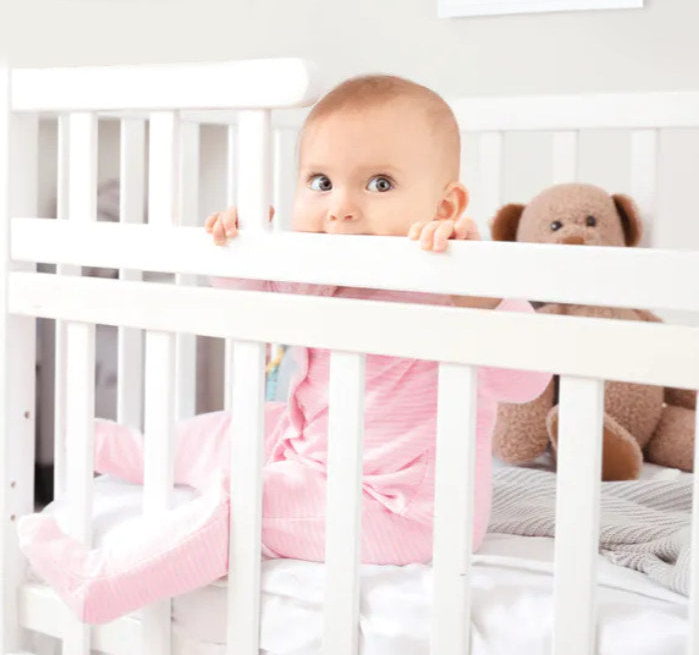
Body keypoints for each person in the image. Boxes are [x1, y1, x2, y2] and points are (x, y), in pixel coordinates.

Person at [18, 75, 550, 624]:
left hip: (397, 505)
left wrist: (486, 296)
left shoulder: (455, 285)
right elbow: (252, 308)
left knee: (245, 498)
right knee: (233, 428)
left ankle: (102, 582)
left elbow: (525, 382)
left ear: (445, 206)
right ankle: (131, 450)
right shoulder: (317, 267)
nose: (340, 208)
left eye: (381, 184)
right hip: (311, 446)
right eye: (320, 182)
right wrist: (240, 254)